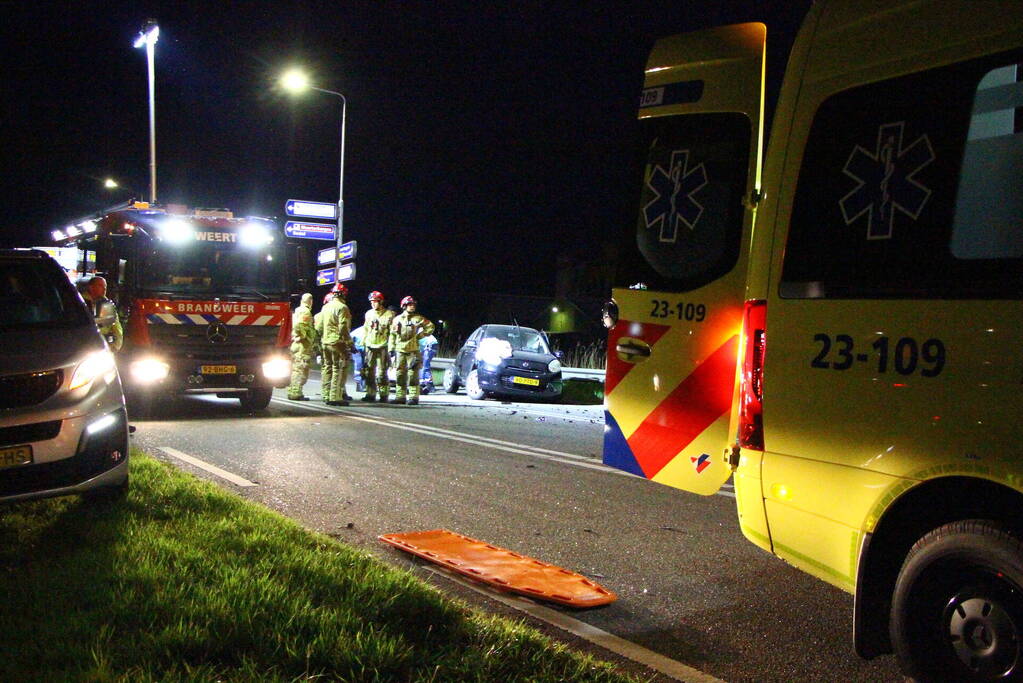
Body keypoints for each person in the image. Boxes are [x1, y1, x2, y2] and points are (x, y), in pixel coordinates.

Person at [388, 295, 435, 405]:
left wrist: (421, 335)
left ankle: (413, 397)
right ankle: (400, 396)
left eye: (413, 305)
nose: (412, 307)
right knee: (400, 375)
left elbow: (431, 326)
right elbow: (392, 335)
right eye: (410, 305)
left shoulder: (418, 318)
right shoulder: (397, 319)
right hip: (400, 350)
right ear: (404, 306)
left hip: (413, 351)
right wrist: (391, 348)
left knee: (413, 375)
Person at [320, 283, 352, 406]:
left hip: (325, 342)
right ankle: (335, 397)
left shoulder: (325, 307)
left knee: (327, 368)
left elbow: (319, 326)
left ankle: (326, 394)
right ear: (343, 294)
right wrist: (349, 342)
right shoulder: (343, 307)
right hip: (337, 342)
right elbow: (343, 327)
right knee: (338, 369)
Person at [361, 291, 395, 402]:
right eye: (371, 302)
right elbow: (366, 329)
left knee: (382, 372)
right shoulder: (368, 314)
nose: (373, 304)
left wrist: (391, 348)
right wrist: (364, 344)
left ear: (381, 302)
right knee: (369, 371)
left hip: (383, 346)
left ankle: (384, 395)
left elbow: (392, 333)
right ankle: (370, 394)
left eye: (375, 302)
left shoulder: (389, 314)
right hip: (370, 345)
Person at [287, 293, 317, 401]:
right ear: (310, 301)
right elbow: (299, 325)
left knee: (296, 369)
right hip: (302, 346)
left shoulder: (297, 310)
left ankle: (292, 391)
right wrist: (304, 337)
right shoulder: (305, 311)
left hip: (296, 344)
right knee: (300, 369)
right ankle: (296, 393)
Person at [83, 275, 123, 351]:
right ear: (91, 287)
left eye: (105, 286)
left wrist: (116, 345)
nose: (104, 288)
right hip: (87, 349)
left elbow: (116, 327)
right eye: (100, 286)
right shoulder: (81, 303)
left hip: (105, 349)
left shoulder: (106, 304)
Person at [313, 292, 332, 403]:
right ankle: (328, 393)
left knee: (330, 369)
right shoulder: (320, 316)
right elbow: (317, 333)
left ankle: (330, 393)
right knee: (331, 369)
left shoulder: (320, 315)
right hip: (327, 345)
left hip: (326, 344)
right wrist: (318, 351)